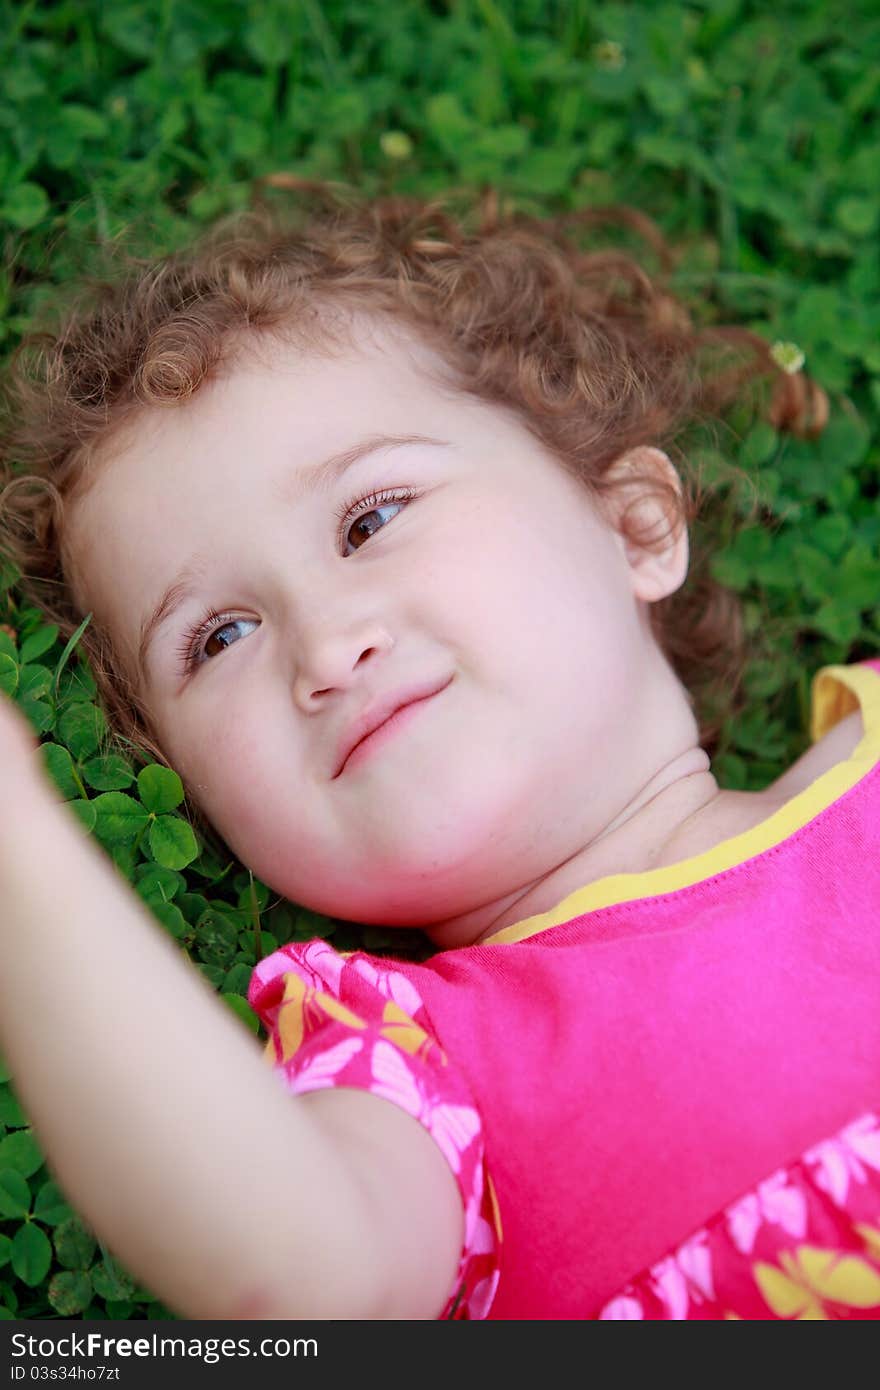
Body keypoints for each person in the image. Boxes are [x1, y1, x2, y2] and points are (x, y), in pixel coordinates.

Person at [0, 185, 878, 1321]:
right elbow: (296, 1273)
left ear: (632, 525)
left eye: (371, 518)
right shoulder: (420, 1078)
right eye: (217, 637)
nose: (322, 644)